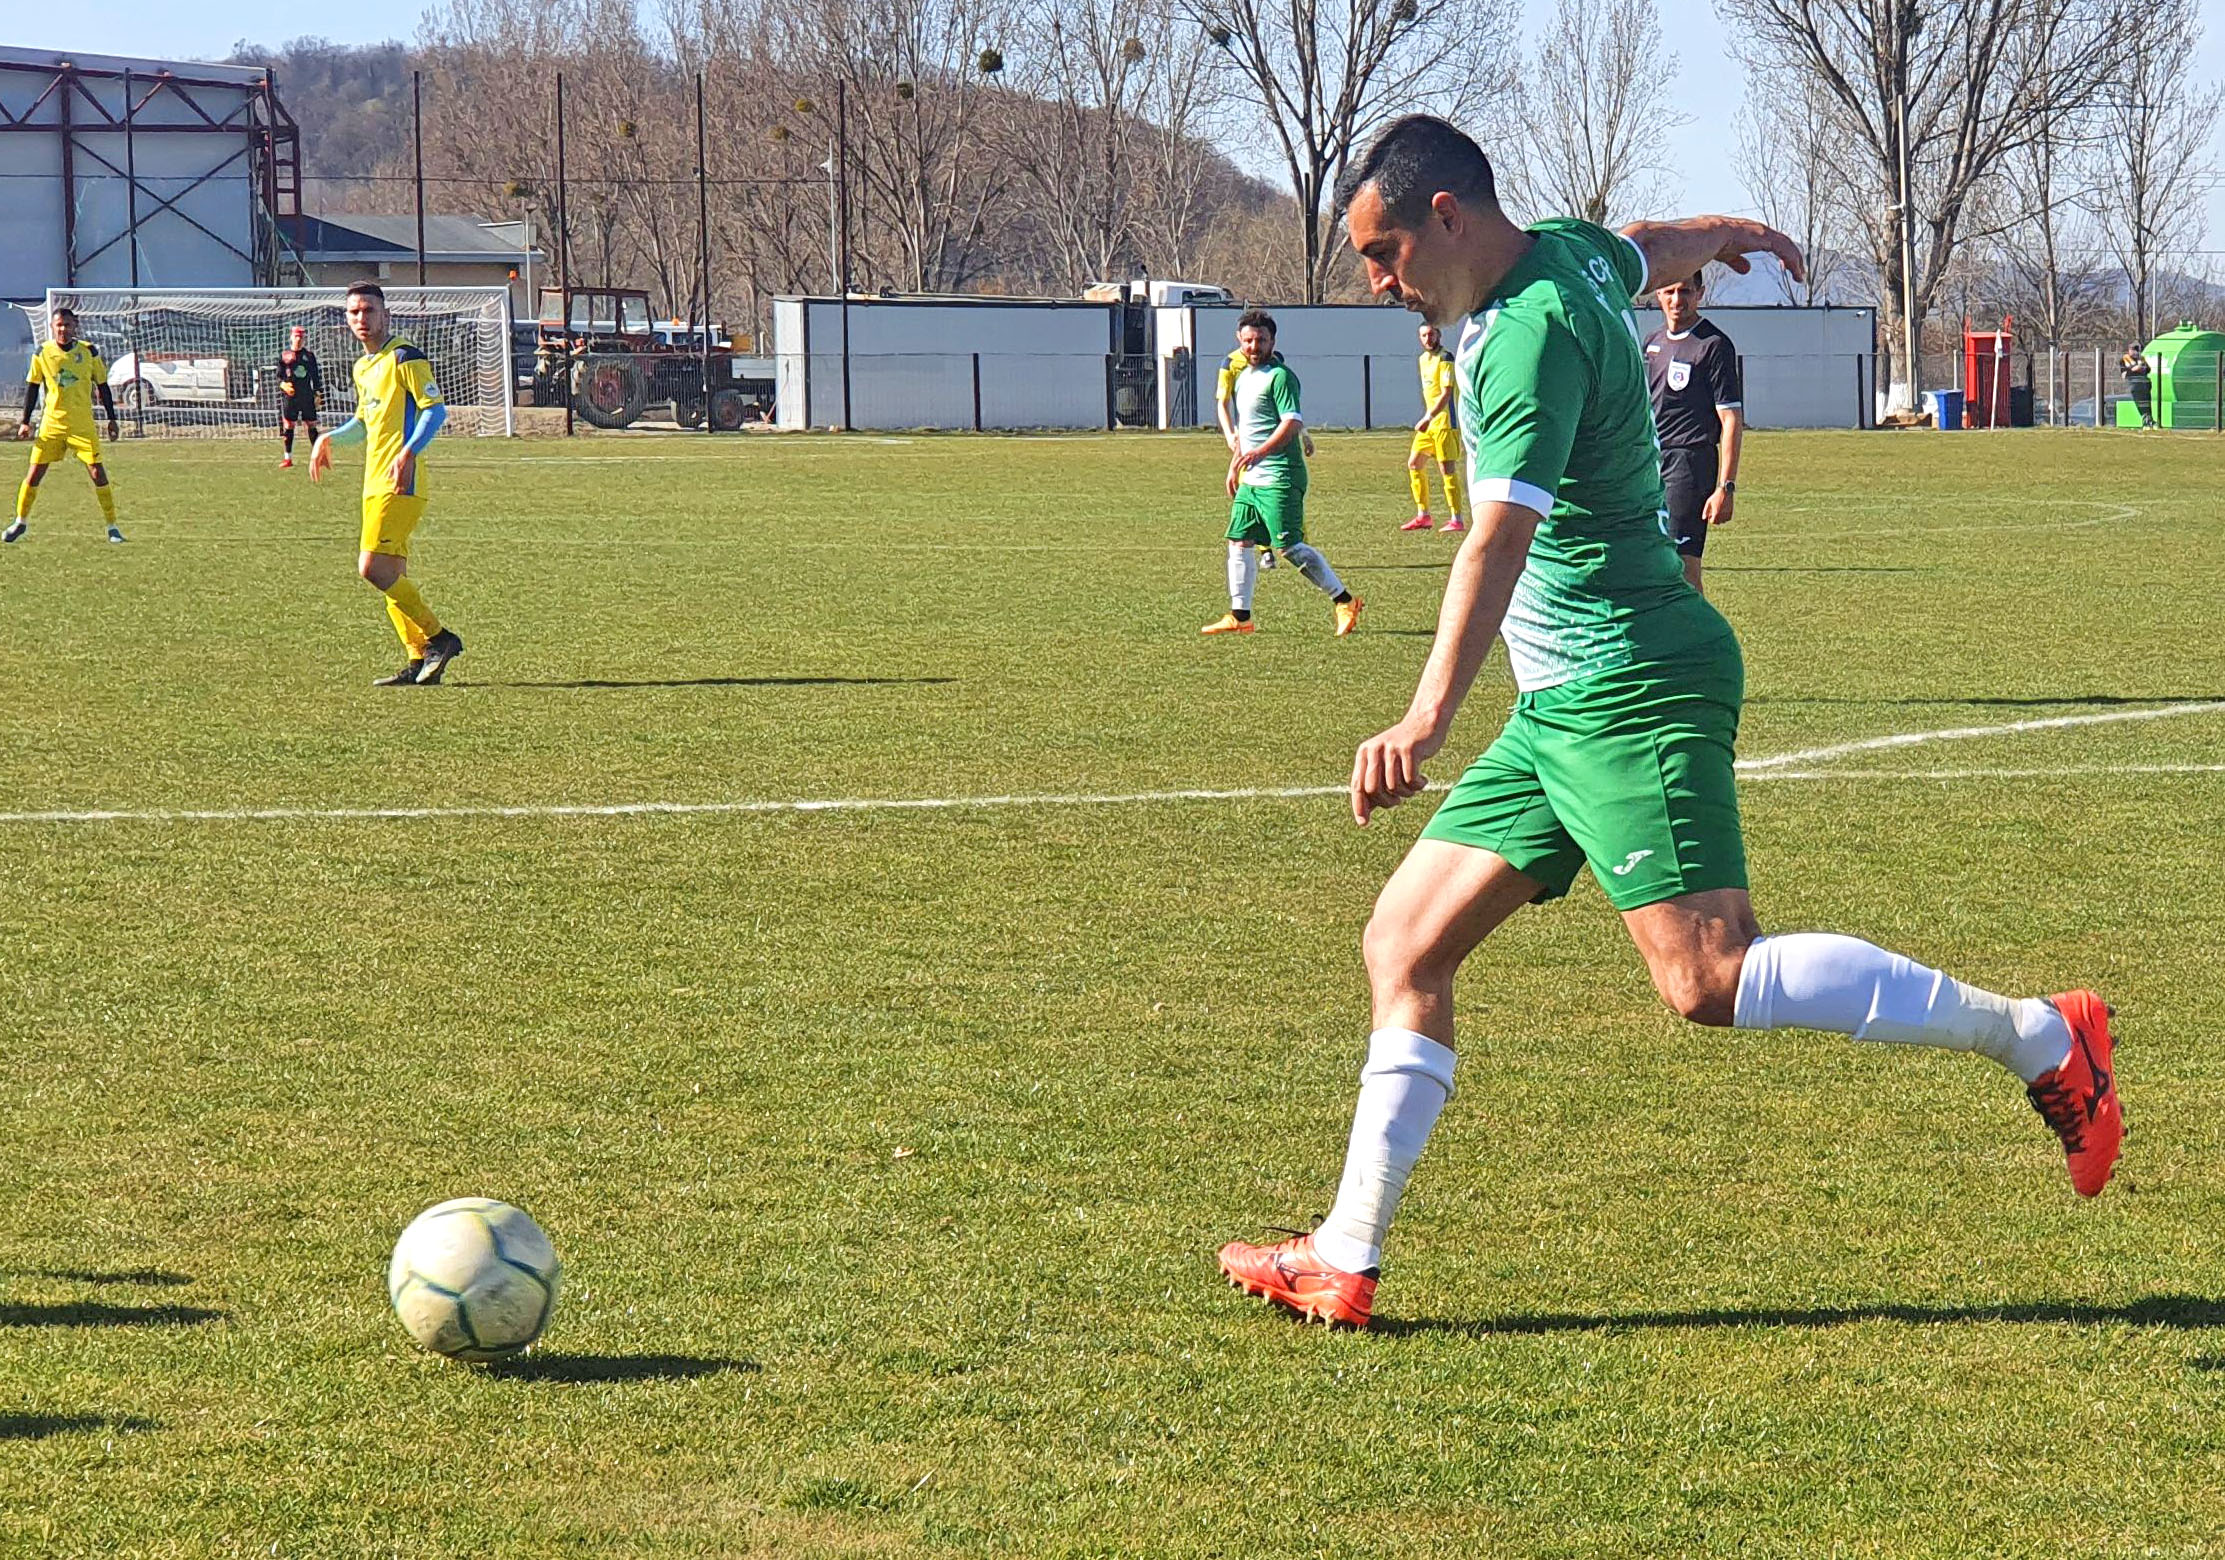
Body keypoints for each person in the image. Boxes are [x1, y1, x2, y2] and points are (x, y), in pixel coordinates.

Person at [1216, 116, 2121, 1330]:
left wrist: (1423, 717)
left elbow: (1494, 538)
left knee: (1705, 976)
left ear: (1445, 217)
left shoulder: (1520, 344)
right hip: (1560, 707)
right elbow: (1641, 243)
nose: (1378, 284)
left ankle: (2039, 1041)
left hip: (1629, 681)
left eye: (1383, 254)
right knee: (1404, 947)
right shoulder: (1569, 258)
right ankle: (1343, 1252)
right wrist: (1730, 230)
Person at [309, 281, 466, 686]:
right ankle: (418, 659)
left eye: (369, 310)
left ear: (385, 314)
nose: (361, 318)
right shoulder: (363, 367)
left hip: (401, 483)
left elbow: (434, 410)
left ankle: (439, 637)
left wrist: (409, 452)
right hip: (373, 482)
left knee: (371, 569)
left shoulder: (404, 357)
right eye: (354, 312)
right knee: (392, 574)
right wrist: (328, 438)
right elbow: (363, 423)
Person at [1201, 310, 1363, 638]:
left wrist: (1259, 454)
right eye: (1248, 340)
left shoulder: (1280, 377)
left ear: (1273, 341)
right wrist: (1236, 464)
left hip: (1280, 475)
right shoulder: (1243, 377)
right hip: (1253, 478)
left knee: (1290, 548)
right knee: (1239, 541)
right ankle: (1240, 616)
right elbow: (1247, 431)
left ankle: (1345, 601)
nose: (1254, 346)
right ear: (1239, 341)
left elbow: (1292, 422)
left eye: (1261, 340)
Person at [1643, 271, 1743, 592]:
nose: (1677, 300)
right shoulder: (1651, 344)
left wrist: (1725, 487)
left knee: (1683, 569)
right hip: (1649, 465)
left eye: (1685, 291)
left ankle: (1697, 641)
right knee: (1648, 563)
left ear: (1700, 292)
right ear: (1657, 294)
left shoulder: (1713, 345)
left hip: (1689, 465)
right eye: (1669, 291)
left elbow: (1730, 420)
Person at [9, 306, 124, 545]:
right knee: (34, 473)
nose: (63, 329)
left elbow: (102, 386)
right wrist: (25, 422)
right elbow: (32, 387)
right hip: (52, 424)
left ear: (75, 327)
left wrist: (112, 419)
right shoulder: (43, 352)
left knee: (97, 472)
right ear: (52, 327)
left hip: (82, 425)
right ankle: (20, 522)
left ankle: (113, 527)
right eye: (59, 325)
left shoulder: (89, 352)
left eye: (68, 325)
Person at [1402, 322, 1467, 533]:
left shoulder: (1446, 358)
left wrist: (1428, 417)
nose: (1428, 339)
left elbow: (1446, 392)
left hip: (1445, 423)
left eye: (1431, 334)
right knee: (1414, 463)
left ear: (1438, 334)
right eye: (1423, 335)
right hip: (1429, 424)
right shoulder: (1423, 360)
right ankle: (1423, 516)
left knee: (1446, 469)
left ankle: (1456, 518)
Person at [277, 324, 324, 469]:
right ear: (291, 337)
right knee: (288, 426)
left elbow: (316, 377)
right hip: (291, 397)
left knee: (311, 425)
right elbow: (279, 376)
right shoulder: (284, 356)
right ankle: (287, 458)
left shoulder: (309, 356)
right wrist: (283, 385)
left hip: (306, 396)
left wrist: (318, 394)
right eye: (296, 336)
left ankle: (317, 457)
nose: (299, 339)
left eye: (301, 337)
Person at [2120, 345, 2153, 428]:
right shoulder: (2124, 359)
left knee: (2147, 403)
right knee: (2141, 403)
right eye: (2133, 350)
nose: (2135, 352)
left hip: (2144, 384)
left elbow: (2148, 369)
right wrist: (2134, 369)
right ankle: (2145, 420)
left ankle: (2149, 421)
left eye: (2136, 350)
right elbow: (2124, 374)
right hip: (2134, 385)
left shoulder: (2141, 359)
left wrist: (2142, 368)